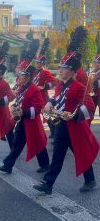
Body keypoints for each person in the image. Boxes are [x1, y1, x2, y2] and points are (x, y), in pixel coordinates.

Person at [33, 52, 99, 194]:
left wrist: (74, 115)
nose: (61, 70)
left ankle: (90, 180)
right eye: (60, 67)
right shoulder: (60, 86)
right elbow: (56, 99)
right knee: (57, 156)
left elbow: (89, 106)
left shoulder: (79, 87)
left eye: (65, 67)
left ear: (73, 71)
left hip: (75, 128)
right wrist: (49, 103)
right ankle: (48, 183)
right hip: (61, 126)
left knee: (81, 154)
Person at [0, 62, 50, 174]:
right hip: (22, 121)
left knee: (38, 144)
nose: (19, 76)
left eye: (22, 74)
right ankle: (8, 165)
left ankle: (45, 165)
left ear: (28, 76)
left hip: (32, 123)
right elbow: (20, 102)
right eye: (20, 73)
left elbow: (38, 108)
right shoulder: (22, 87)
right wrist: (15, 108)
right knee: (17, 144)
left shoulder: (34, 89)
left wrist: (23, 112)